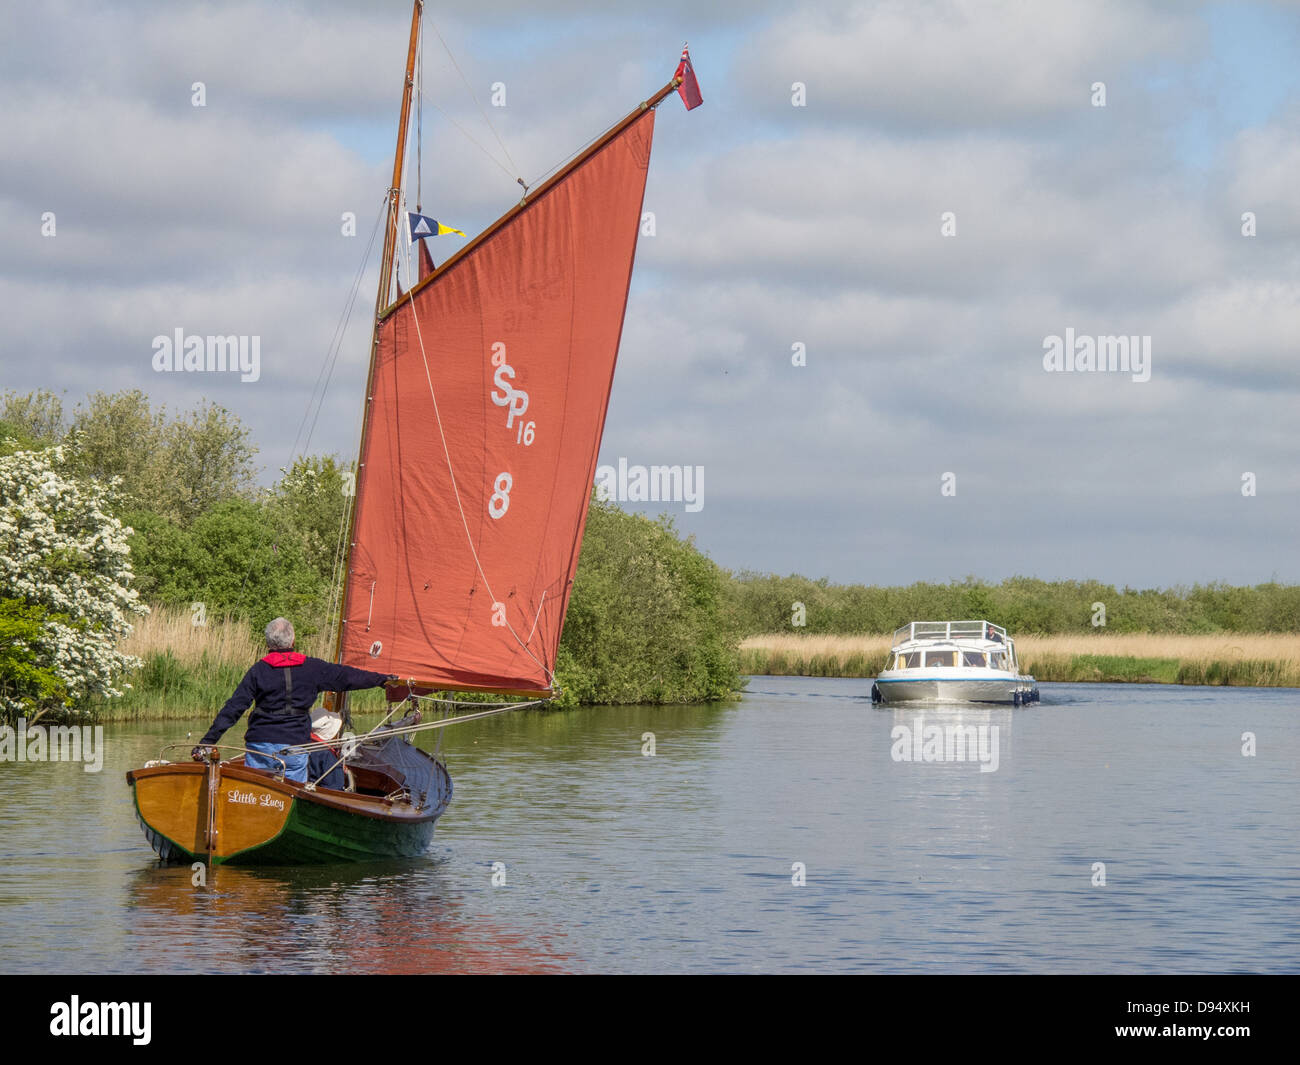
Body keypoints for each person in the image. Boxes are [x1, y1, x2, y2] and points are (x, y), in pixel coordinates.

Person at [193, 617, 396, 784]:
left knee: (255, 790)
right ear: (292, 641)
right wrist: (381, 680)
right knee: (291, 792)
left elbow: (234, 708)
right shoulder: (312, 668)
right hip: (295, 747)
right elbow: (346, 677)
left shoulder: (258, 671)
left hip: (260, 746)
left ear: (268, 643)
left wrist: (207, 742)